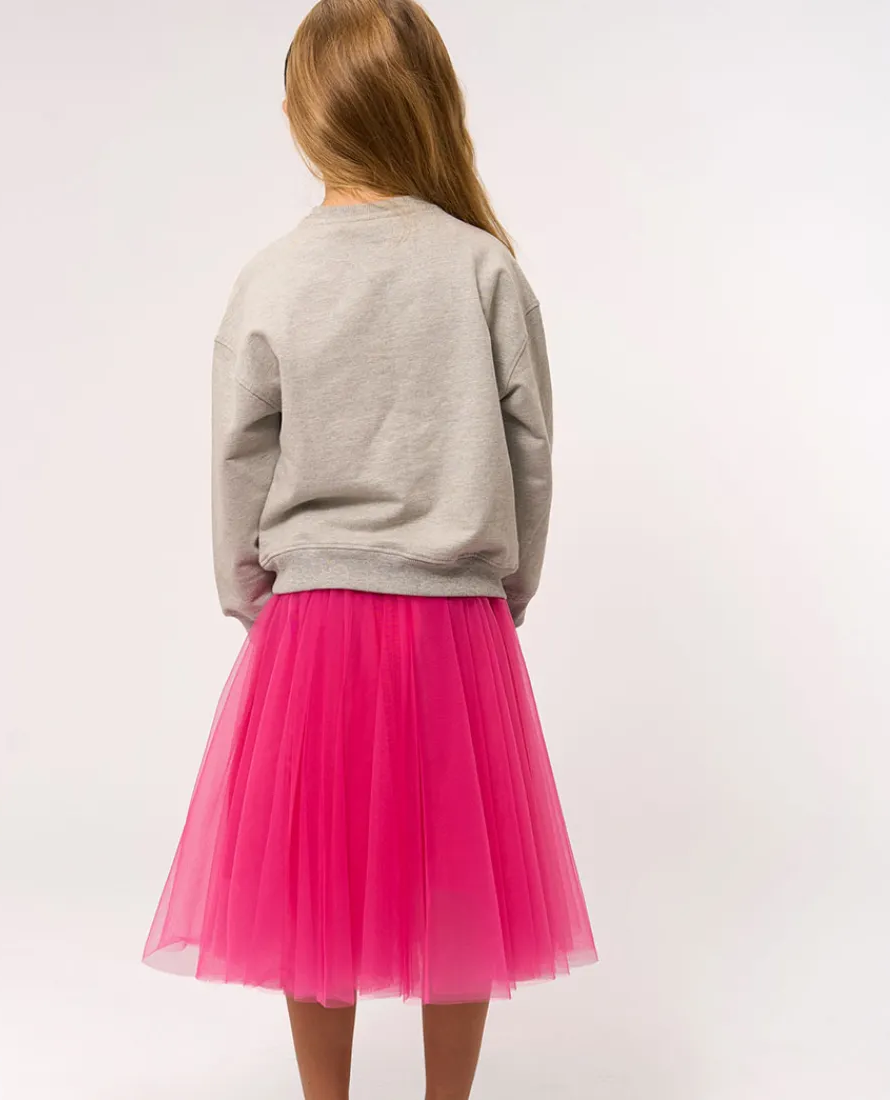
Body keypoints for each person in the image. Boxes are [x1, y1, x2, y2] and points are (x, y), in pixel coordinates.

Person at [142, 1, 597, 1096]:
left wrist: (253, 596)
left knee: (313, 881)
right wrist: (507, 587)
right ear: (426, 102)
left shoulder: (274, 275)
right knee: (460, 877)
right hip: (455, 617)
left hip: (314, 621)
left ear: (305, 116)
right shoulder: (482, 268)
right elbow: (531, 452)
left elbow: (238, 457)